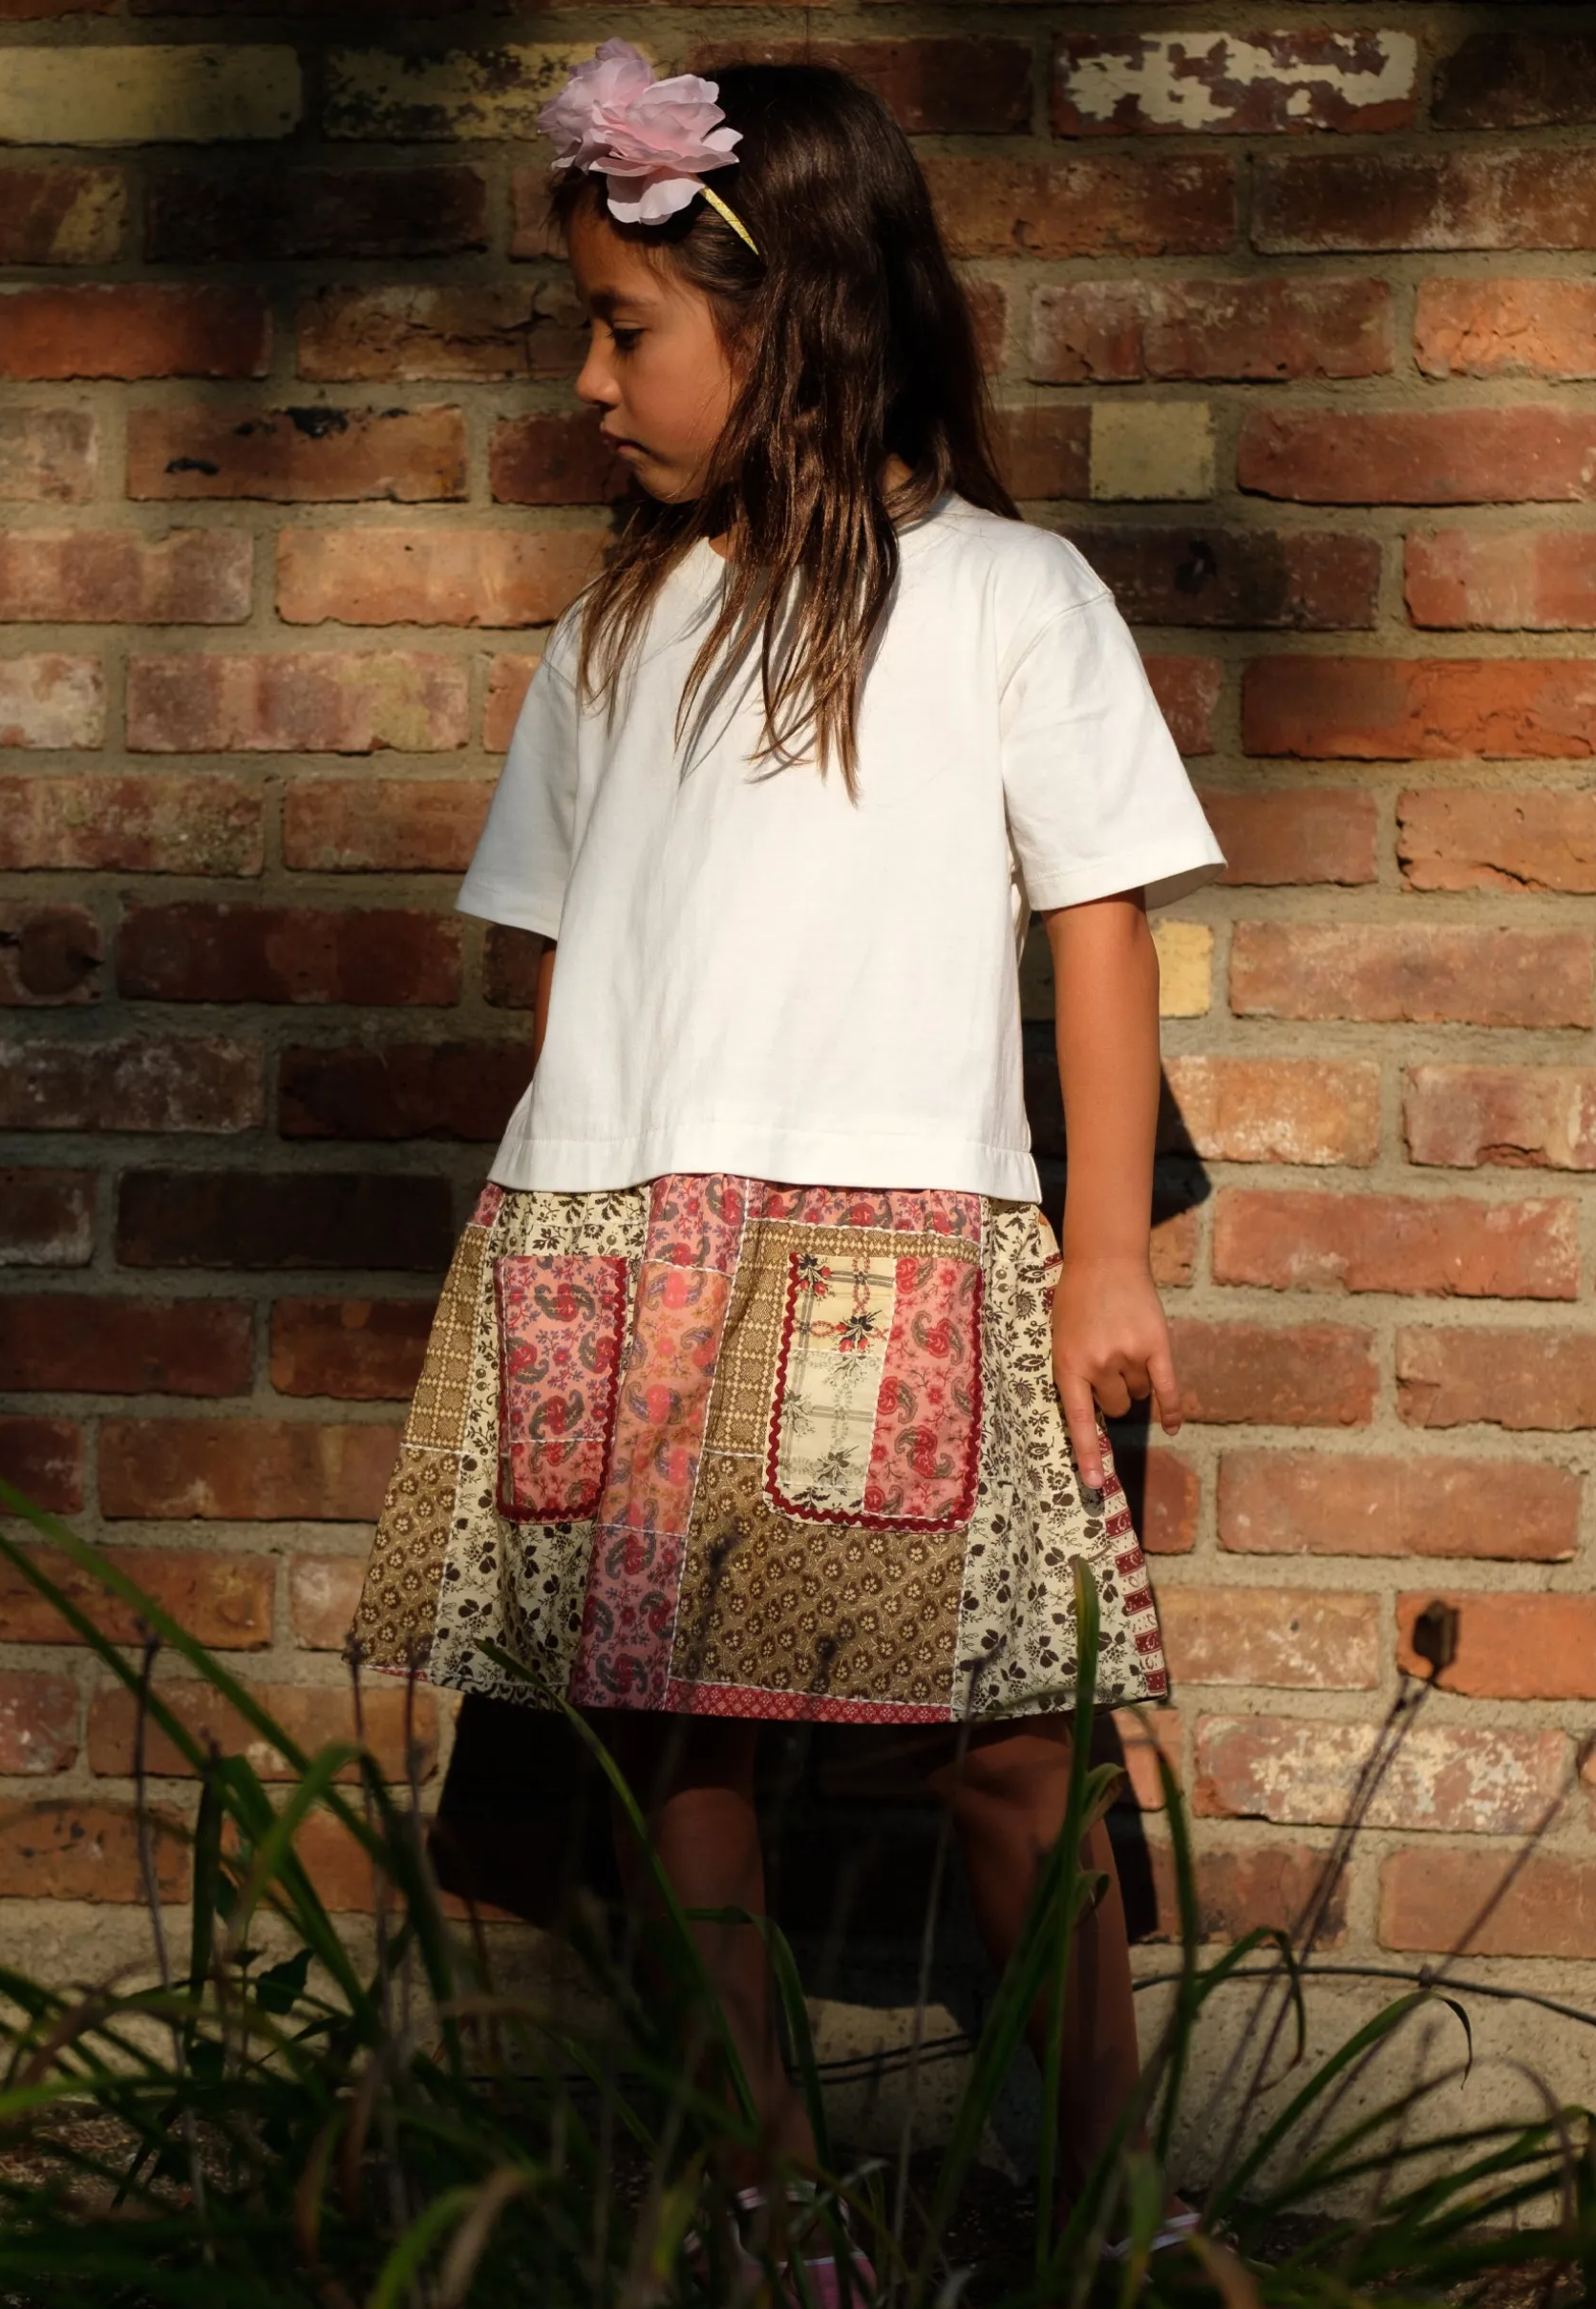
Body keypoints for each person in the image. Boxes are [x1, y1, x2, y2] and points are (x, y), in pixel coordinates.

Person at [351, 39, 1225, 2298]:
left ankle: (1118, 2206)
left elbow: (1100, 923)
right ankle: (767, 2200)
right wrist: (563, 1257)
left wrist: (1106, 1256)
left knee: (1017, 1745)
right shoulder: (609, 635)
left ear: (795, 319)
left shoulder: (1012, 598)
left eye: (624, 327)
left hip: (923, 1246)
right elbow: (571, 974)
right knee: (678, 1746)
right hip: (631, 1245)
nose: (587, 381)